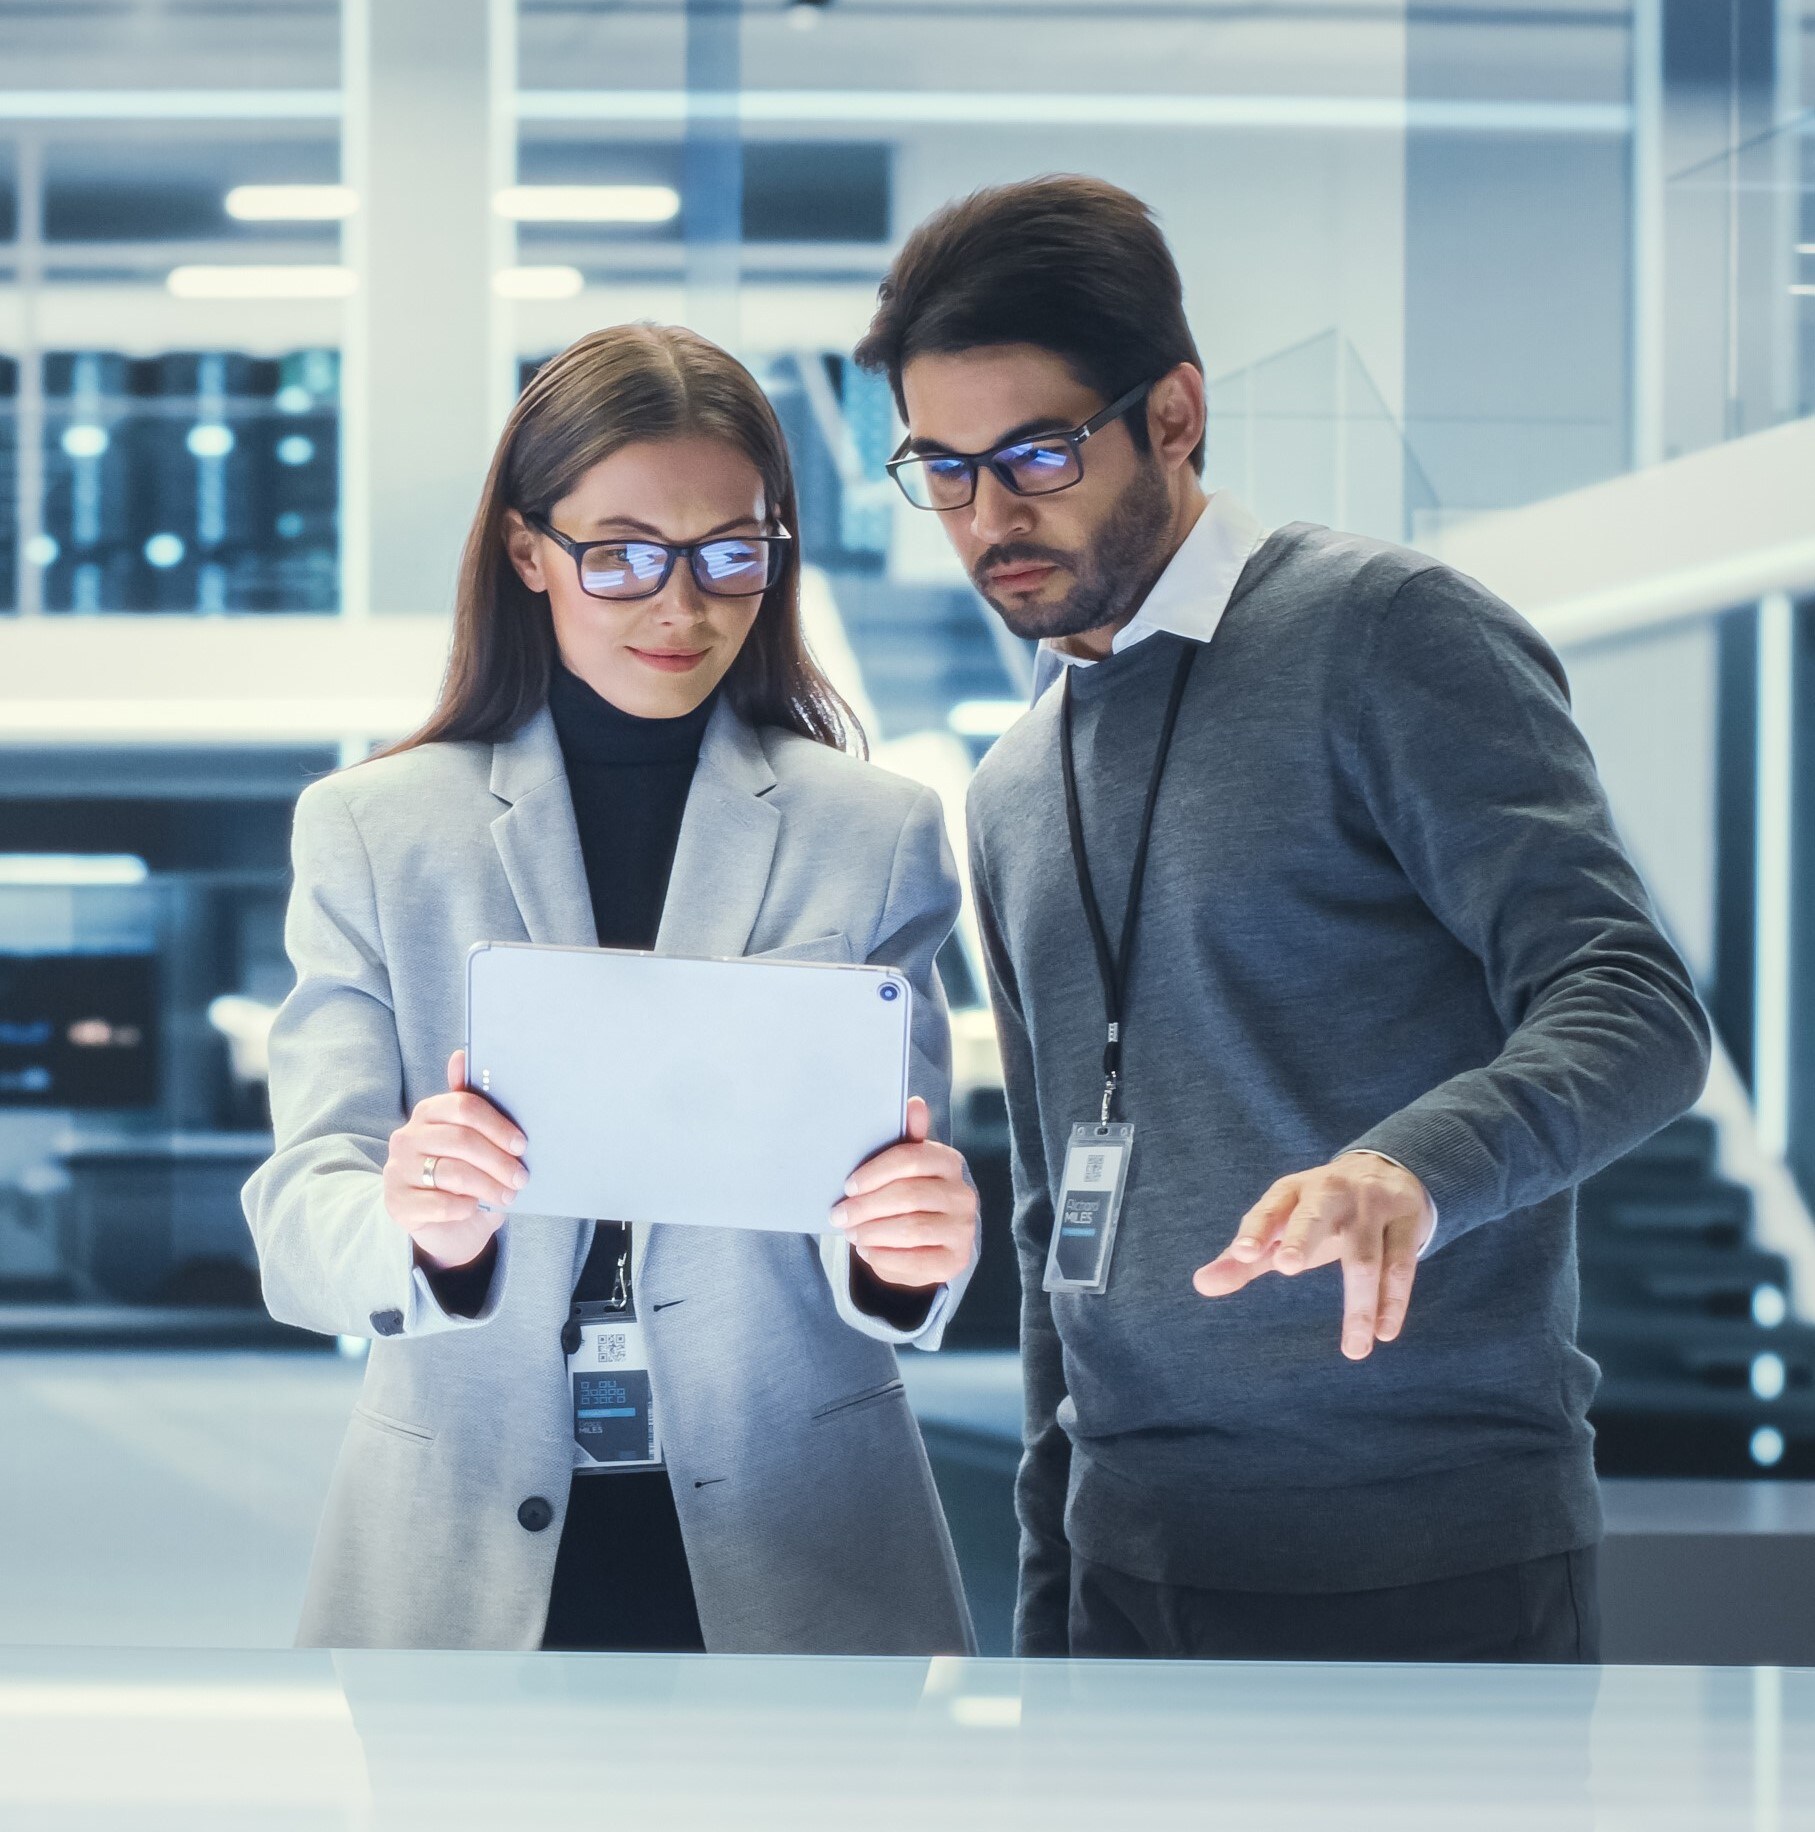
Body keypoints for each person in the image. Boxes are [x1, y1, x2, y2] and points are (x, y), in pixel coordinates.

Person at [854, 175, 1711, 1663]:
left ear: (1174, 414)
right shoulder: (1005, 787)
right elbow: (1066, 1221)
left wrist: (1412, 1168)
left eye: (1038, 453)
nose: (991, 516)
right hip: (1132, 1570)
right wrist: (1054, 1601)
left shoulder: (1386, 635)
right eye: (944, 469)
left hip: (1435, 1555)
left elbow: (1634, 1006)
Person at [243, 323, 979, 1656]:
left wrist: (906, 1244)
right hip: (457, 1546)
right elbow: (301, 1219)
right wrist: (418, 1222)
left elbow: (887, 1219)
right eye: (624, 553)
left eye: (731, 555)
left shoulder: (873, 831)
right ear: (529, 551)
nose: (682, 606)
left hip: (801, 1535)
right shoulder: (374, 831)